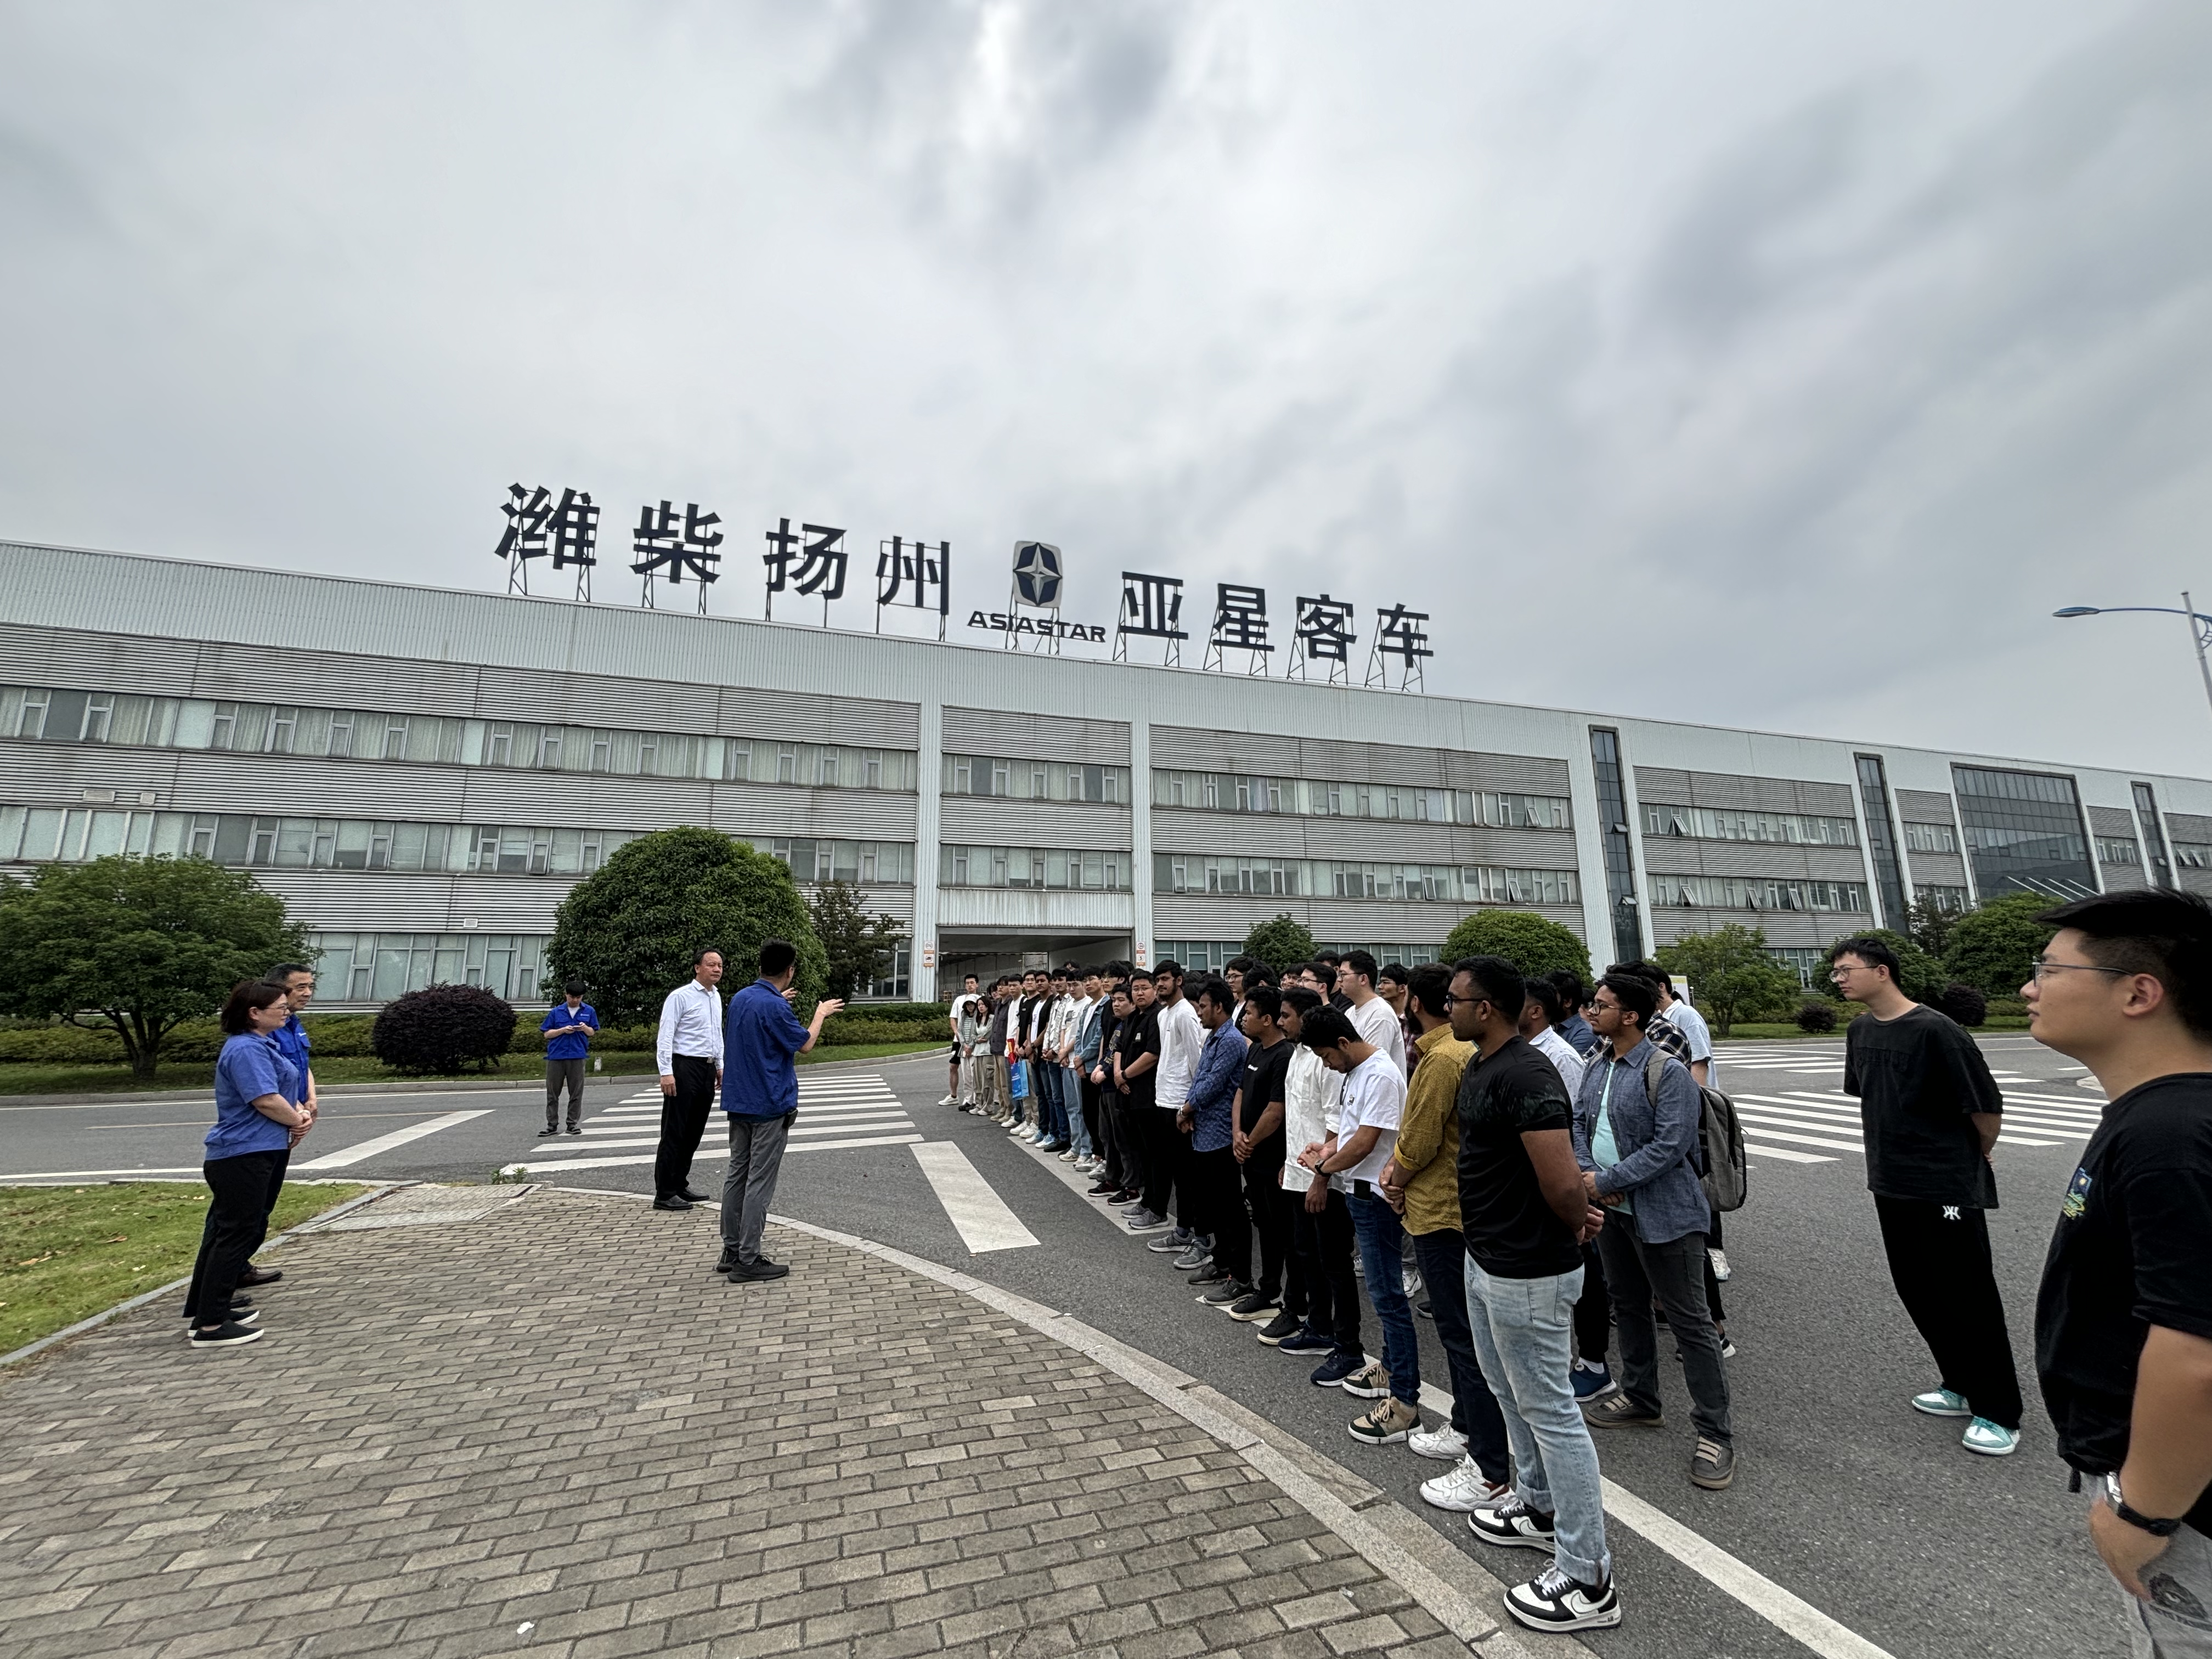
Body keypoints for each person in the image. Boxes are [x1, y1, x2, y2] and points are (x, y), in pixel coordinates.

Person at [2025, 890, 2212, 1657]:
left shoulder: (2171, 1135)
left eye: (2049, 969)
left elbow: (2198, 1354)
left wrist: (2141, 1514)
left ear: (2139, 993)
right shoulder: (2163, 1117)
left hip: (2190, 1510)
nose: (2030, 987)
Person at [1451, 956, 1622, 1633]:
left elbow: (1560, 1178)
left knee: (1551, 1411)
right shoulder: (1481, 1065)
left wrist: (1578, 1218)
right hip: (1487, 1257)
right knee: (1507, 1389)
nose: (1446, 1007)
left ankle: (1588, 1575)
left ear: (1485, 1008)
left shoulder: (1527, 1074)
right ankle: (1538, 1505)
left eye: (1457, 999)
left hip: (1528, 1269)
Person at [1833, 934, 2022, 1456]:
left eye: (1847, 970)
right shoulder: (1860, 1030)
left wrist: (1975, 1155)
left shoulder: (1937, 1030)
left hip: (1944, 1182)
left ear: (1882, 972)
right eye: (1837, 972)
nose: (1839, 979)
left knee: (1968, 1294)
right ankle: (1959, 1383)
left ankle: (2000, 1411)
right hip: (1891, 1180)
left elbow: (1985, 1109)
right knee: (1918, 1287)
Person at [1573, 973, 1736, 1490]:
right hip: (1613, 1212)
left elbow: (1671, 1145)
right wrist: (1590, 1177)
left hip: (1665, 1213)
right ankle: (1642, 1397)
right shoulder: (1598, 1063)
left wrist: (1608, 1181)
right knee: (1627, 1303)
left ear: (1631, 1016)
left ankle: (1715, 1432)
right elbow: (1578, 1123)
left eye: (1602, 1005)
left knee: (1690, 1321)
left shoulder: (1667, 1071)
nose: (1592, 1011)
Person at [1383, 964, 1514, 1509]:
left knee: (1463, 1337)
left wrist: (1395, 1177)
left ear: (1415, 1002)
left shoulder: (1442, 1058)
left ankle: (1487, 1466)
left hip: (1441, 1210)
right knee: (1464, 1336)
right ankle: (1464, 1427)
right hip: (1459, 1208)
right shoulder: (1465, 1052)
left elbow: (1418, 1139)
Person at [1299, 1005, 1421, 1446]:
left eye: (1327, 1057)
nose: (1327, 1065)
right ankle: (1390, 1366)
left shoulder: (1381, 1074)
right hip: (1359, 1190)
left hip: (1376, 1196)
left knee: (1388, 1296)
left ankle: (1405, 1400)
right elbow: (1352, 1135)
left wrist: (1324, 1168)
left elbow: (1368, 1142)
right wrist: (1326, 1149)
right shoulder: (1356, 1072)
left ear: (1343, 1043)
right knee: (1382, 1293)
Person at [185, 981, 313, 1347]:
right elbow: (265, 1099)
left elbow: (283, 1091)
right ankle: (211, 1326)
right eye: (280, 1007)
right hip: (243, 1154)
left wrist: (300, 1111)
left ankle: (210, 1310)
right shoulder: (245, 1049)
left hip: (259, 1150)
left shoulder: (263, 1044)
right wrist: (297, 1121)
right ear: (254, 1013)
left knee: (233, 1232)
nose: (286, 1011)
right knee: (234, 1235)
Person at [717, 940, 844, 1283]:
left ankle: (731, 1250)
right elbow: (805, 1044)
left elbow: (760, 1022)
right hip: (769, 1104)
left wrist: (778, 1002)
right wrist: (820, 1014)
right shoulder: (774, 1006)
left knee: (737, 1175)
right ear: (790, 971)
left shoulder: (741, 998)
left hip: (739, 1102)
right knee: (759, 1181)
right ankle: (749, 1258)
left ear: (761, 967)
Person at [1277, 986, 1362, 1380]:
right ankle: (1318, 1326)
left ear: (1307, 1017)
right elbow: (1298, 1117)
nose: (1281, 1022)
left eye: (1287, 1015)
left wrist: (1320, 1179)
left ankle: (1346, 1343)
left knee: (1334, 1263)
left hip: (1327, 1179)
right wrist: (1289, 1165)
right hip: (1300, 1173)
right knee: (1306, 1253)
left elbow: (1335, 1123)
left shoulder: (1325, 1061)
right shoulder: (1298, 1055)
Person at [1184, 978, 1252, 1305]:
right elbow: (1199, 1078)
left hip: (1222, 1135)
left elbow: (1213, 1084)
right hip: (1204, 1132)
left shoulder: (1232, 1041)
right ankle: (1222, 1260)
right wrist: (1188, 1108)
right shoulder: (1214, 1037)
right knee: (1214, 1203)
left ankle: (1239, 1275)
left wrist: (1187, 1108)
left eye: (1203, 1007)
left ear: (1219, 1007)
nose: (1199, 1012)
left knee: (1230, 1208)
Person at [252, 961, 321, 1286]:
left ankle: (240, 1264)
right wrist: (297, 1113)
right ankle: (227, 1273)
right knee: (248, 1207)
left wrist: (312, 1098)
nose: (307, 993)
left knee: (265, 1203)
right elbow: (268, 1084)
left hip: (289, 1121)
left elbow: (300, 1066)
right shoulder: (265, 1030)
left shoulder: (292, 1023)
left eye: (311, 987)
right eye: (300, 987)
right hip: (270, 1125)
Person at [1232, 985, 1295, 1327]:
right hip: (1251, 1154)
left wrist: (1250, 1142)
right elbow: (1241, 1092)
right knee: (1264, 1226)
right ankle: (1267, 1290)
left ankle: (1288, 1299)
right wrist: (1237, 1134)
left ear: (1268, 1020)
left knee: (1280, 1229)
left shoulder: (1283, 1055)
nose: (1243, 1018)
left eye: (1249, 1013)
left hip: (1272, 1157)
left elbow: (1276, 1111)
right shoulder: (1256, 1048)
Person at [653, 948, 725, 1211]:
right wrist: (666, 1072)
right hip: (684, 1066)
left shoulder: (716, 996)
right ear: (697, 968)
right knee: (675, 1130)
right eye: (711, 964)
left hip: (707, 1067)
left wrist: (720, 1066)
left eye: (720, 965)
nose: (717, 969)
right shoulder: (680, 997)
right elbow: (666, 1035)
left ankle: (679, 1183)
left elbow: (716, 1034)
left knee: (694, 1131)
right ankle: (664, 1192)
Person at [1148, 962, 1207, 1259]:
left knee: (1187, 1175)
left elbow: (1197, 1062)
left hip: (1180, 1103)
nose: (1160, 985)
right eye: (1157, 980)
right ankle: (1183, 1229)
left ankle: (1192, 1232)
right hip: (1164, 1098)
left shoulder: (1186, 1013)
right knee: (1176, 1171)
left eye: (1165, 979)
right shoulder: (1164, 1014)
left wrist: (1190, 1105)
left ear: (1179, 981)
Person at [1116, 973, 1169, 1231]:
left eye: (1144, 988)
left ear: (1154, 990)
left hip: (1149, 1097)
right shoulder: (1133, 1017)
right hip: (1130, 1094)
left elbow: (1153, 1054)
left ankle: (1158, 1209)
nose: (1140, 993)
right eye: (1136, 989)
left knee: (1157, 1155)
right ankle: (1147, 1201)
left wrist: (1125, 1075)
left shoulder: (1157, 1016)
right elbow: (1120, 1049)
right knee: (1143, 1153)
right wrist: (1119, 1075)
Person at [539, 979, 599, 1137]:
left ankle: (572, 1124)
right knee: (553, 1093)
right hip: (556, 1056)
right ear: (566, 995)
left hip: (577, 1056)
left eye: (579, 997)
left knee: (576, 1093)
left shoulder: (589, 1011)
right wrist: (562, 1030)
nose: (575, 1000)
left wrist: (585, 1028)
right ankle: (551, 1125)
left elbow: (592, 1032)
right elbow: (547, 1034)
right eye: (572, 997)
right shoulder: (556, 1012)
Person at [1339, 949, 1407, 1073]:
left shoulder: (1381, 1014)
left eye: (1343, 975)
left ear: (1363, 979)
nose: (1339, 980)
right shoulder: (1350, 1012)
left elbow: (1373, 1065)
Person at [944, 973, 981, 1107]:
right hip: (959, 1040)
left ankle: (976, 1099)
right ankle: (954, 1096)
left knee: (974, 1071)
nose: (970, 985)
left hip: (974, 1041)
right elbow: (953, 1018)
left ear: (977, 984)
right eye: (967, 983)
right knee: (954, 1066)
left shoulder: (981, 1000)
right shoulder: (959, 1000)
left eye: (972, 983)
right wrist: (957, 1033)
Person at [956, 985, 993, 1114]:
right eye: (968, 1004)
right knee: (970, 1078)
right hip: (969, 1049)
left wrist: (972, 1044)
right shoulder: (968, 1016)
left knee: (982, 1079)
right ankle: (973, 1101)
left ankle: (984, 1104)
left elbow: (983, 1035)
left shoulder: (986, 1018)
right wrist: (966, 1044)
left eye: (973, 1004)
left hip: (981, 1050)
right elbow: (964, 1032)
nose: (970, 1006)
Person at [1550, 971, 1596, 1056]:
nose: (1544, 1003)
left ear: (1568, 1002)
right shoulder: (1552, 1027)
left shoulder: (1584, 1034)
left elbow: (1565, 1063)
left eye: (1550, 998)